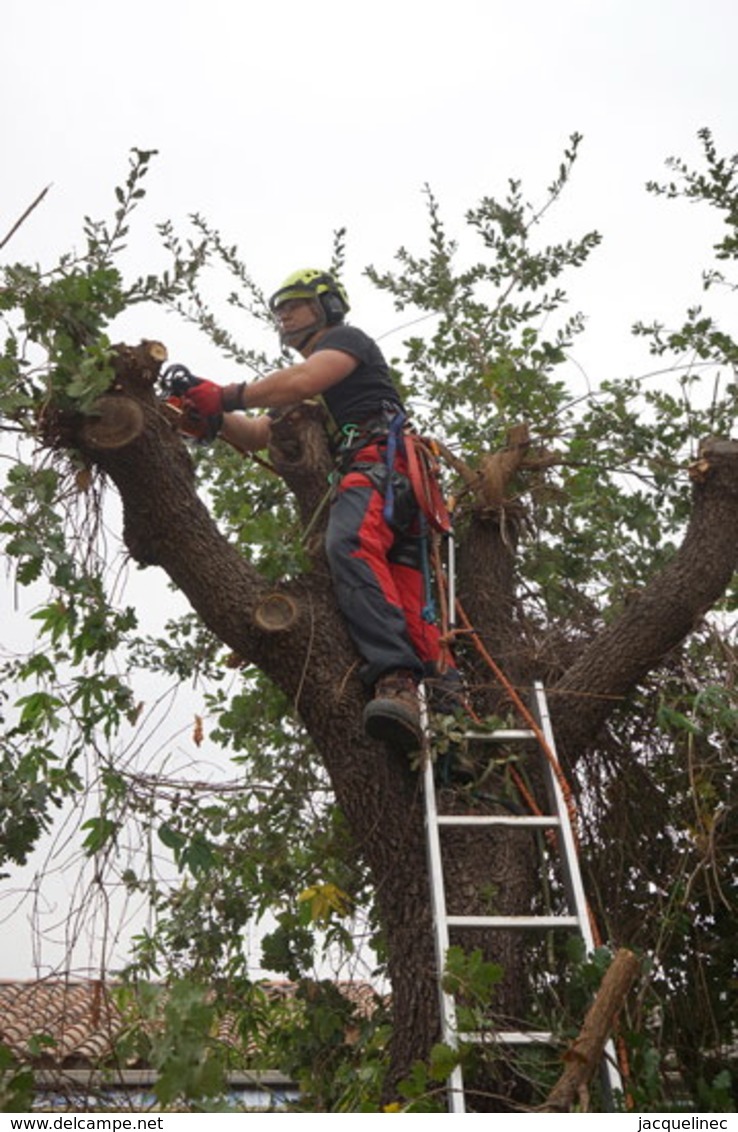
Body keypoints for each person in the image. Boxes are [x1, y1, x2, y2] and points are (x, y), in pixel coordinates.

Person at [181, 268, 458, 755]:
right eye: (279, 310)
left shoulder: (344, 342)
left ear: (326, 305)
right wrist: (210, 413)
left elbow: (305, 377)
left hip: (380, 466)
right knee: (410, 599)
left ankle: (395, 679)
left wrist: (226, 394)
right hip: (395, 487)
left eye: (294, 304)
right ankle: (453, 718)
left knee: (349, 545)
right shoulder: (303, 391)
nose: (283, 315)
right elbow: (258, 435)